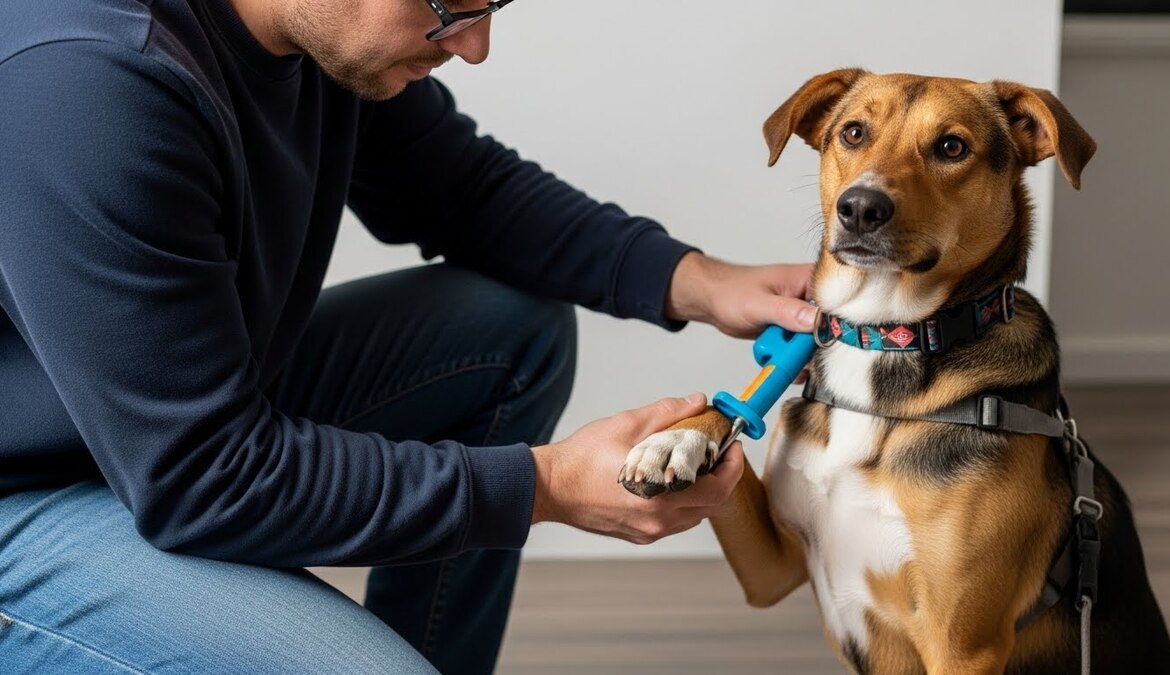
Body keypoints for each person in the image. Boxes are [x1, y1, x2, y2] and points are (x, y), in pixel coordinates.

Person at [0, 0, 816, 672]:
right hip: (34, 490)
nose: (476, 44)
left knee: (509, 335)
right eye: (447, 5)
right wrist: (550, 486)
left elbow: (460, 191)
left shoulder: (317, 40)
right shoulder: (90, 82)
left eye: (491, 4)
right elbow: (204, 477)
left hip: (155, 425)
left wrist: (702, 281)